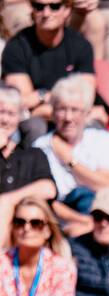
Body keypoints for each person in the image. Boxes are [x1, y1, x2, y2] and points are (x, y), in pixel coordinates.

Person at [35, 74, 109, 231]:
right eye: (62, 109)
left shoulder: (104, 140)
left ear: (87, 113)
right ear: (53, 112)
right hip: (60, 222)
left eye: (75, 110)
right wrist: (83, 221)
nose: (68, 117)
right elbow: (45, 201)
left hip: (104, 216)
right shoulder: (41, 147)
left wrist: (70, 161)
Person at [1, 0, 95, 141]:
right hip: (37, 120)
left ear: (67, 10)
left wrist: (42, 100)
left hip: (69, 115)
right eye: (39, 7)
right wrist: (47, 97)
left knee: (95, 125)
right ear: (32, 9)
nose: (46, 13)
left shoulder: (81, 46)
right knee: (35, 127)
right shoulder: (16, 47)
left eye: (54, 6)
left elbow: (86, 98)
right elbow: (22, 103)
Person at [0, 83, 56, 246]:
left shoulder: (33, 155)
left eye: (10, 113)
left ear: (19, 117)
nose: (4, 119)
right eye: (0, 112)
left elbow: (48, 189)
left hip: (26, 232)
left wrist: (9, 200)